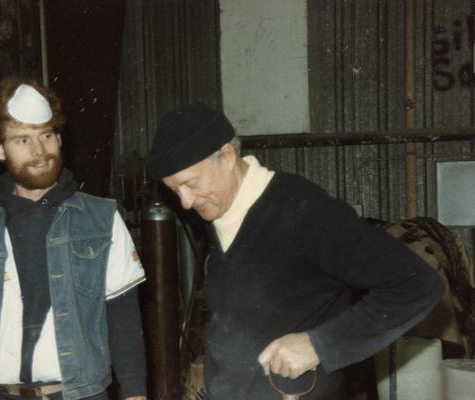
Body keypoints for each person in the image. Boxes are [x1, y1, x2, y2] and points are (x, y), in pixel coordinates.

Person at [145, 102, 445, 399]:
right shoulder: (221, 213)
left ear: (226, 156)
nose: (185, 202)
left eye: (192, 184)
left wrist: (319, 345)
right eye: (175, 190)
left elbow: (417, 283)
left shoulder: (303, 212)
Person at [0, 77, 148, 400]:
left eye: (46, 135)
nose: (39, 151)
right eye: (22, 140)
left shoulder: (102, 218)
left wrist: (136, 394)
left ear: (59, 139)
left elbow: (124, 319)